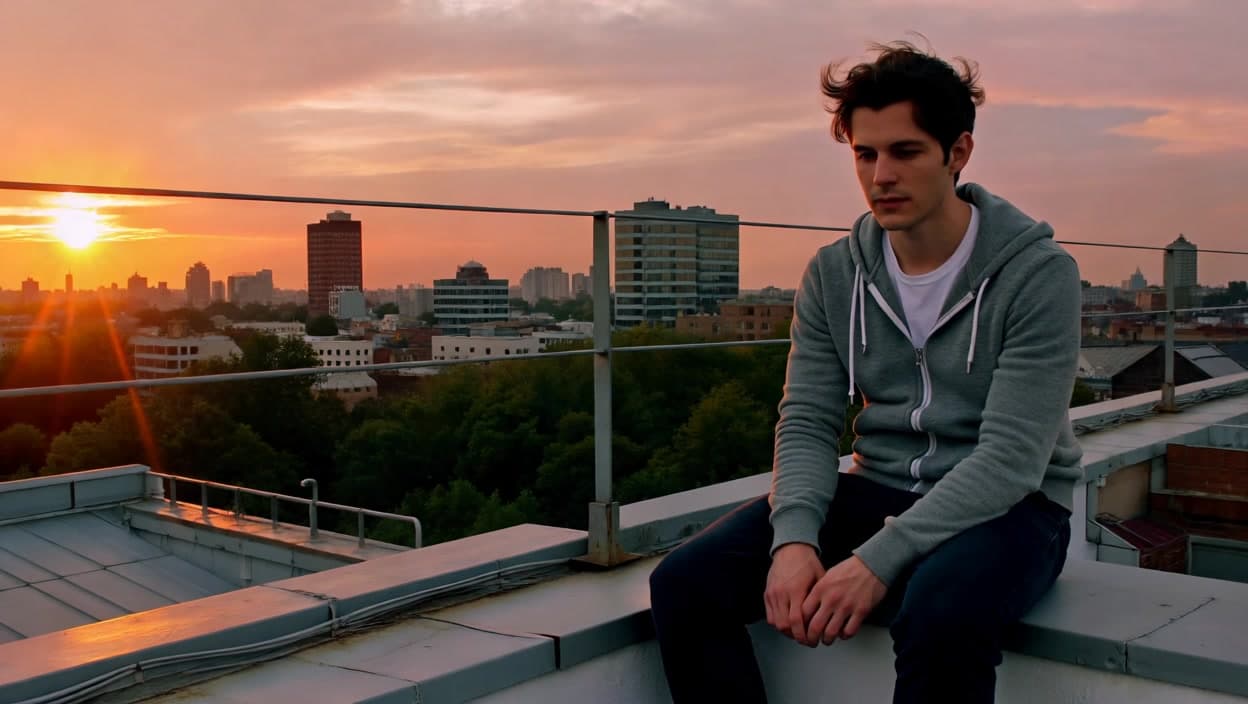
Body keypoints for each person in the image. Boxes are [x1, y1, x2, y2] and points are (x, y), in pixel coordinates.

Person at [648, 40, 1083, 704]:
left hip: (1015, 509)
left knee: (942, 613)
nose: (881, 175)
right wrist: (793, 541)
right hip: (878, 485)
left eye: (905, 152)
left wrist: (874, 562)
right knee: (684, 583)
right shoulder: (834, 273)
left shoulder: (1037, 274)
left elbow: (1012, 459)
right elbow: (807, 422)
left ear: (957, 153)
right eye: (865, 153)